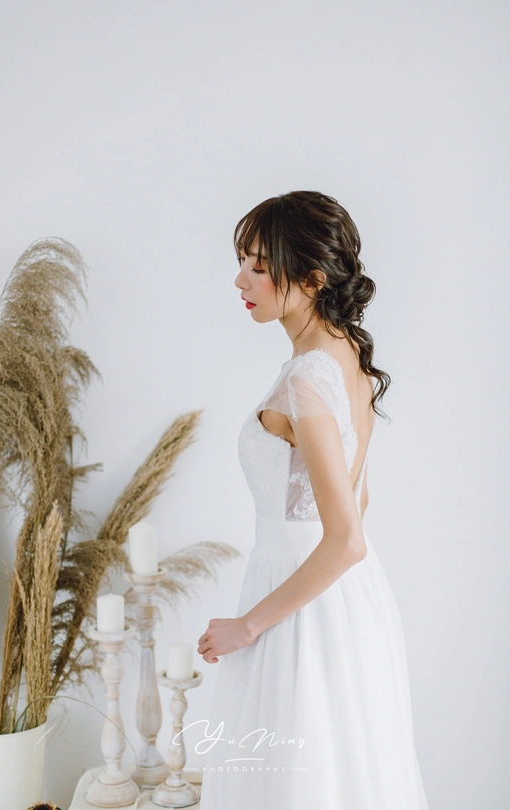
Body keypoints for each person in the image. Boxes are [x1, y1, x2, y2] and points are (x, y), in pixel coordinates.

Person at [196, 190, 430, 809]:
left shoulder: (307, 377)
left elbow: (347, 538)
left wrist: (248, 626)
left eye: (259, 266)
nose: (240, 280)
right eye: (242, 262)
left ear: (313, 279)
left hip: (300, 608)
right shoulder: (346, 358)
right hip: (339, 600)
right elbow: (359, 500)